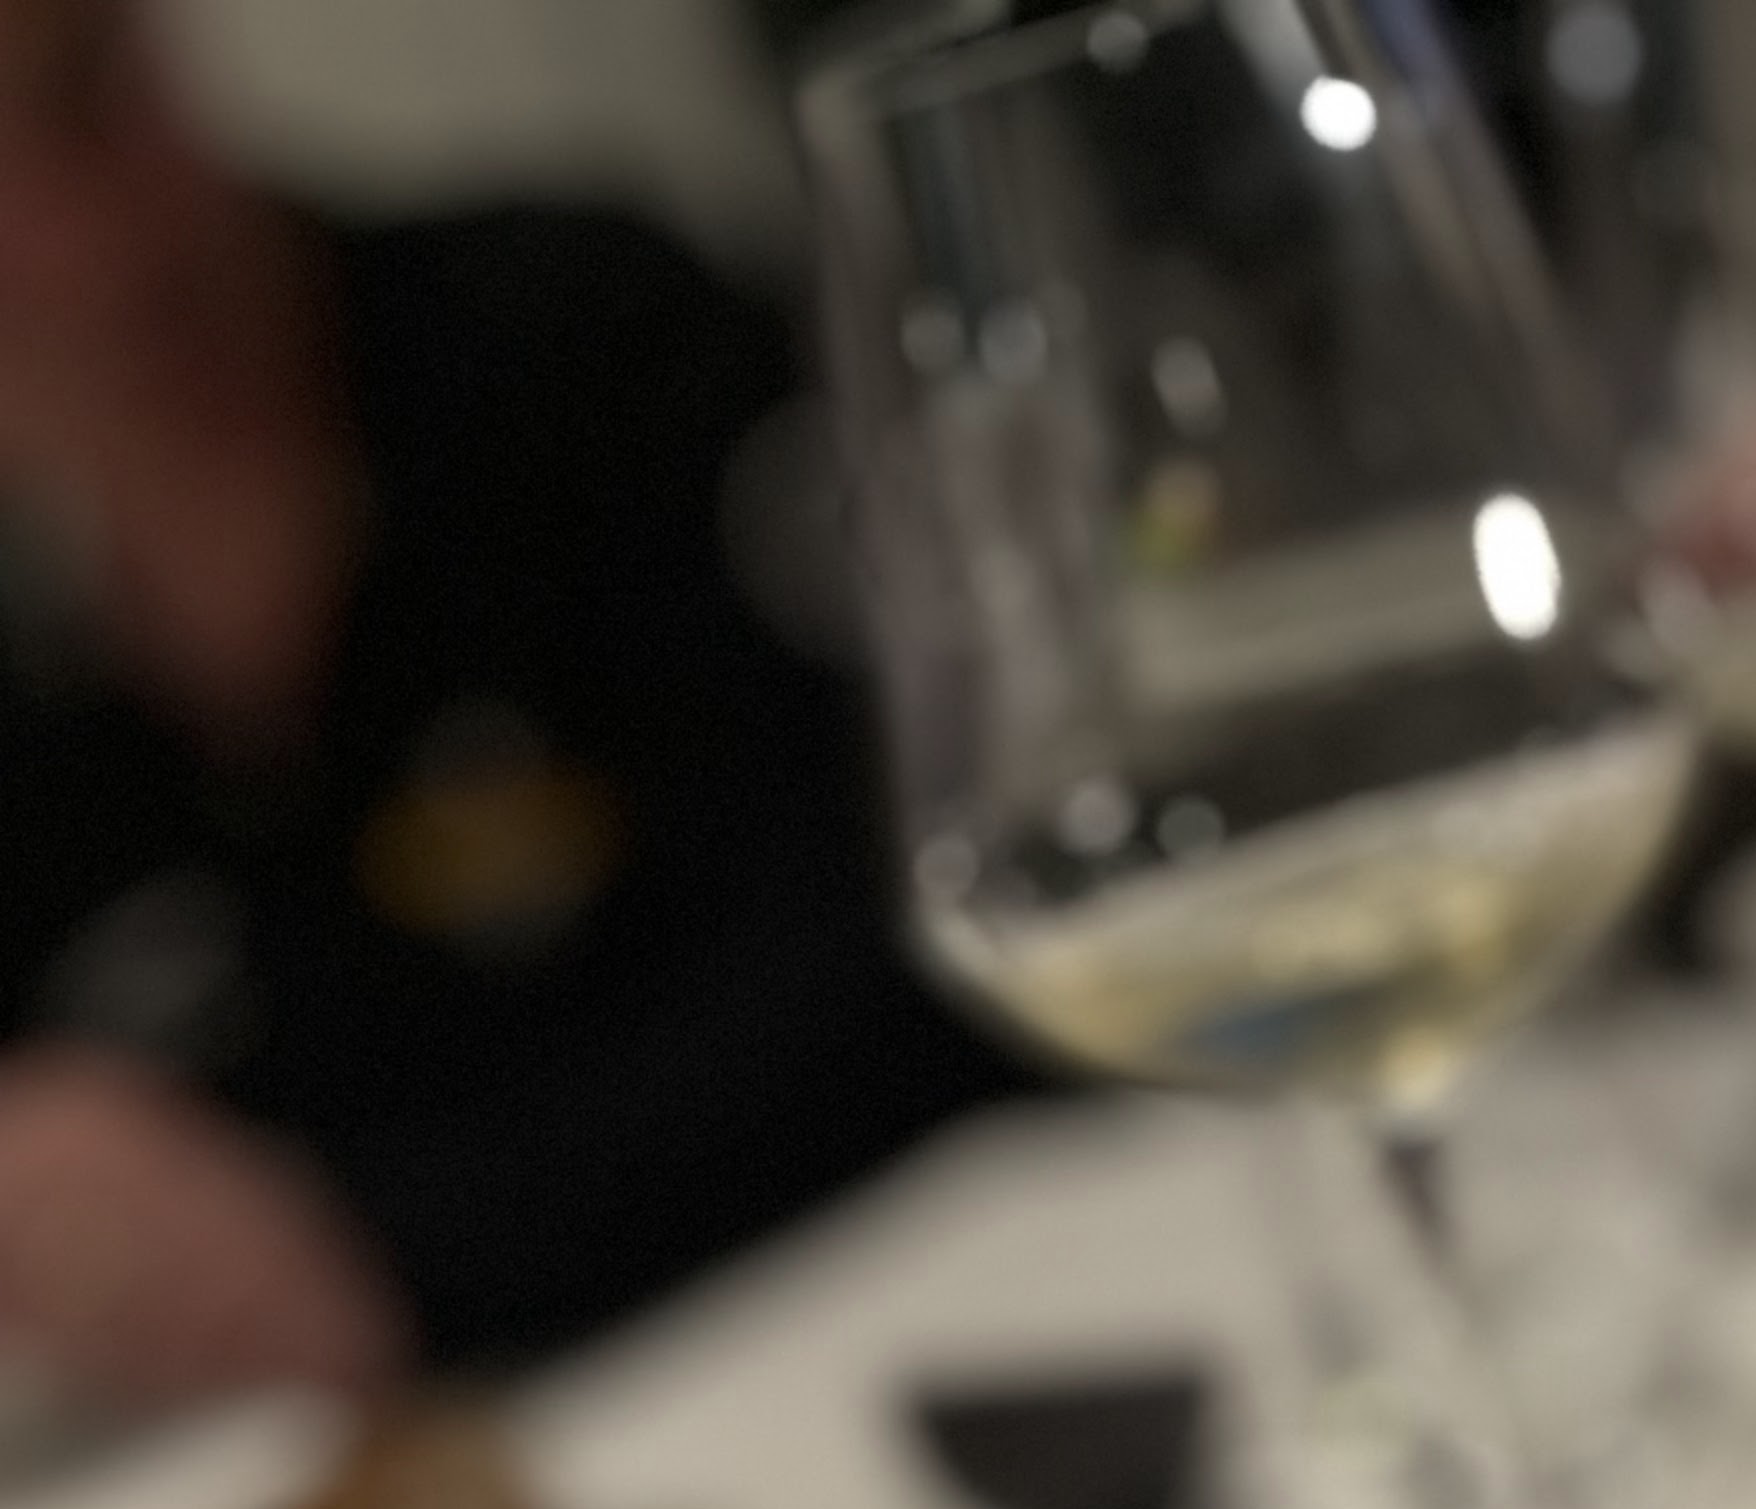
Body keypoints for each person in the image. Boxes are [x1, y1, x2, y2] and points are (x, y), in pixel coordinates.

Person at [0, 0, 1008, 1408]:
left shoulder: (584, 341)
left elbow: (929, 923)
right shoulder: (36, 687)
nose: (76, 242)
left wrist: (382, 1254)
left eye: (84, 104)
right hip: (399, 1473)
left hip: (932, 1321)